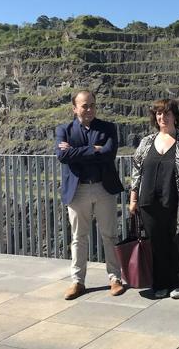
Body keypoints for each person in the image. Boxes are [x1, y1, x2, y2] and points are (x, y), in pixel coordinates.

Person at [55, 90, 126, 300]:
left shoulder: (108, 128)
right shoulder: (64, 130)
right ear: (74, 108)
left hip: (104, 188)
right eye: (84, 106)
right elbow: (62, 155)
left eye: (92, 105)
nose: (89, 109)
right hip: (78, 190)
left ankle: (115, 278)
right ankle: (78, 281)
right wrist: (93, 150)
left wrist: (77, 152)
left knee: (110, 235)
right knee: (79, 237)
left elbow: (108, 154)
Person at [129, 99, 179, 299]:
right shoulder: (147, 142)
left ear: (175, 117)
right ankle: (160, 283)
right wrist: (133, 198)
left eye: (167, 113)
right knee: (157, 243)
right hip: (149, 202)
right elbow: (136, 171)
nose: (163, 117)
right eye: (159, 114)